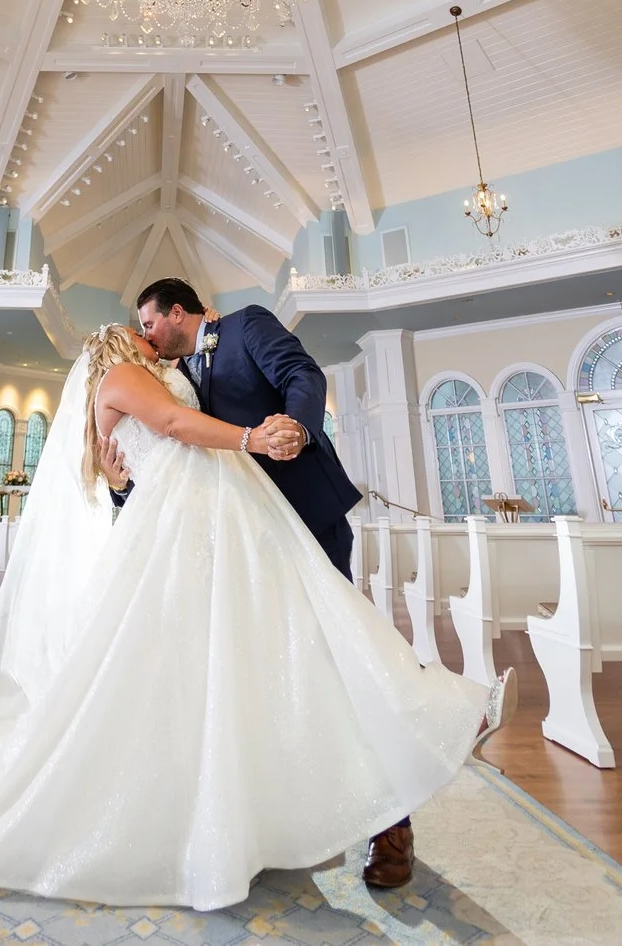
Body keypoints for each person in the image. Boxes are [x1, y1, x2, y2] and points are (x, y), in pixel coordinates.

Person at [0, 323, 493, 910]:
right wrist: (253, 434)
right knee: (264, 647)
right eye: (135, 330)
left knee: (269, 648)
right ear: (112, 348)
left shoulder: (122, 392)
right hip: (201, 518)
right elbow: (179, 428)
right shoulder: (125, 376)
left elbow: (125, 464)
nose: (146, 335)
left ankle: (304, 795)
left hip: (222, 513)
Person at [120, 278, 428, 887]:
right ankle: (286, 818)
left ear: (176, 312)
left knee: (343, 662)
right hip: (246, 541)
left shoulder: (245, 325)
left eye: (150, 324)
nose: (148, 336)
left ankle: (393, 826)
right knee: (272, 678)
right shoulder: (173, 378)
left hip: (306, 517)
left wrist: (297, 428)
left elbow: (302, 373)